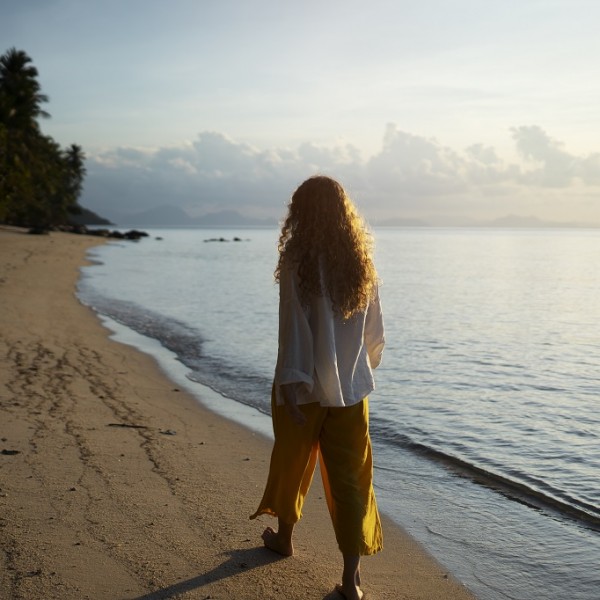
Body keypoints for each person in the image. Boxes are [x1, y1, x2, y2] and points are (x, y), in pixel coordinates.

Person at [250, 175, 385, 600]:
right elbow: (374, 332)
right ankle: (349, 581)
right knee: (351, 481)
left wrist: (292, 382)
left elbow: (293, 327)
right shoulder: (360, 261)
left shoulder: (296, 260)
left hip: (302, 387)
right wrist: (360, 370)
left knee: (293, 462)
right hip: (350, 390)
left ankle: (285, 538)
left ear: (299, 213)